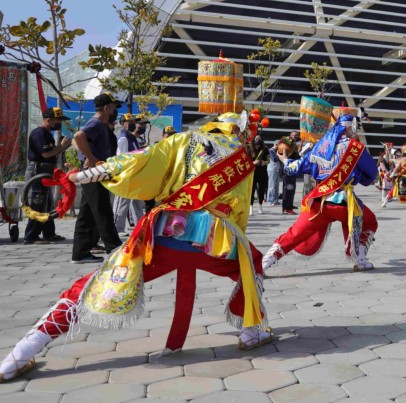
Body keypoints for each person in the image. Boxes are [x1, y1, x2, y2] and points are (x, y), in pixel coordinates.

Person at [0, 111, 274, 383]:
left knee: (92, 284)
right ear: (237, 131)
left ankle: (25, 350)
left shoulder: (185, 140)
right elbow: (240, 215)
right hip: (216, 242)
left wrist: (89, 174)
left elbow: (141, 160)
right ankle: (252, 330)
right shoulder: (241, 158)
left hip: (166, 236)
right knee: (253, 264)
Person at [263, 108, 379, 273]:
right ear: (350, 128)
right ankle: (360, 259)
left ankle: (265, 262)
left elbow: (293, 168)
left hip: (319, 202)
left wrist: (285, 159)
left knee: (295, 233)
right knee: (369, 221)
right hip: (345, 203)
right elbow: (372, 174)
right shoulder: (356, 148)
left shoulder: (319, 148)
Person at [71, 93, 122, 263]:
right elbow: (78, 137)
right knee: (102, 210)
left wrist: (87, 155)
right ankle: (115, 249)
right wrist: (91, 157)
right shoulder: (96, 124)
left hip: (96, 171)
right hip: (95, 172)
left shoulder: (98, 125)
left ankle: (80, 253)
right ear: (107, 108)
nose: (114, 111)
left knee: (87, 213)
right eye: (113, 107)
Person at [23, 107, 72, 244]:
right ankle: (31, 235)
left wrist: (63, 147)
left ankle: (49, 233)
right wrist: (61, 146)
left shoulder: (47, 133)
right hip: (37, 171)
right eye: (57, 120)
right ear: (48, 120)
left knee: (48, 202)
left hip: (45, 171)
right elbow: (46, 154)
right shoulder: (39, 133)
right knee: (38, 202)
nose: (59, 123)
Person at [113, 113, 145, 234]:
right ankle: (116, 228)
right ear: (122, 124)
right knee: (122, 202)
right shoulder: (123, 138)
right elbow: (121, 158)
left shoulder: (131, 137)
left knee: (135, 203)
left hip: (134, 174)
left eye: (133, 122)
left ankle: (139, 226)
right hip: (126, 175)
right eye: (129, 122)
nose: (132, 124)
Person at [248, 135, 270, 215]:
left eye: (259, 139)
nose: (258, 140)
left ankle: (260, 207)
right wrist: (253, 163)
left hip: (262, 171)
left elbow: (268, 160)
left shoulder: (265, 149)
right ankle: (251, 208)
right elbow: (246, 160)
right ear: (253, 139)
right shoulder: (249, 149)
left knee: (261, 190)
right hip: (252, 172)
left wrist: (264, 162)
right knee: (252, 190)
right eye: (256, 138)